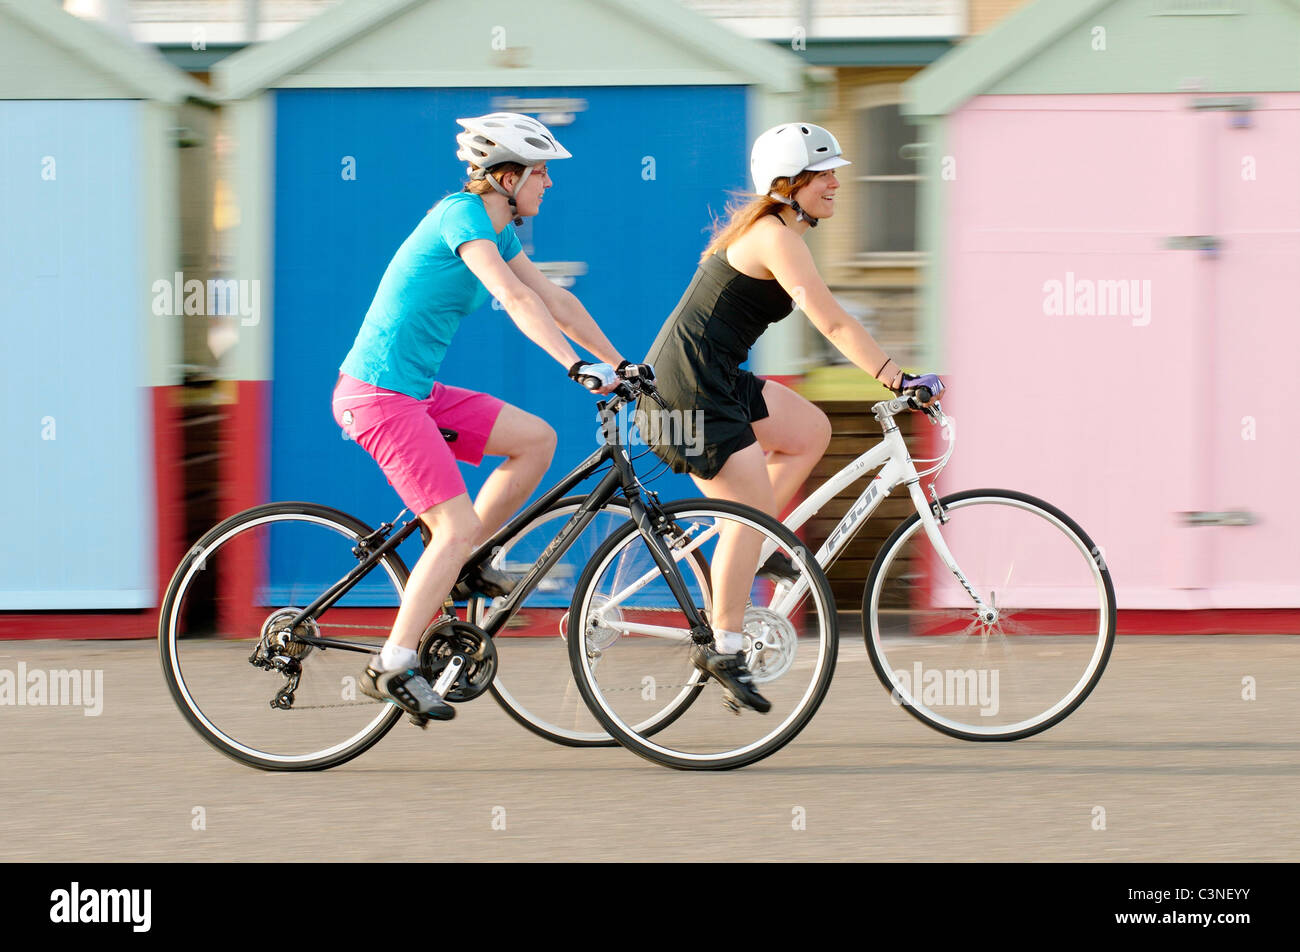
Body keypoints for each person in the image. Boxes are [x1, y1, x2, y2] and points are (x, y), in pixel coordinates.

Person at [333, 113, 635, 720]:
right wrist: (572, 366)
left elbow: (554, 298)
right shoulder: (461, 217)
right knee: (452, 526)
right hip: (378, 397)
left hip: (416, 390)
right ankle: (391, 664)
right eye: (541, 172)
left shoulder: (500, 232)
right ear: (505, 176)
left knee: (535, 440)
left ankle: (468, 563)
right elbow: (517, 299)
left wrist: (621, 363)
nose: (548, 183)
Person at [640, 122, 945, 713]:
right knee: (746, 511)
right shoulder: (772, 236)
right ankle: (723, 646)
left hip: (716, 380)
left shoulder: (780, 231)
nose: (836, 184)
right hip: (687, 392)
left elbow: (831, 318)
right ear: (788, 183)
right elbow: (829, 319)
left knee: (811, 431)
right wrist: (897, 378)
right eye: (824, 174)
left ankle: (751, 548)